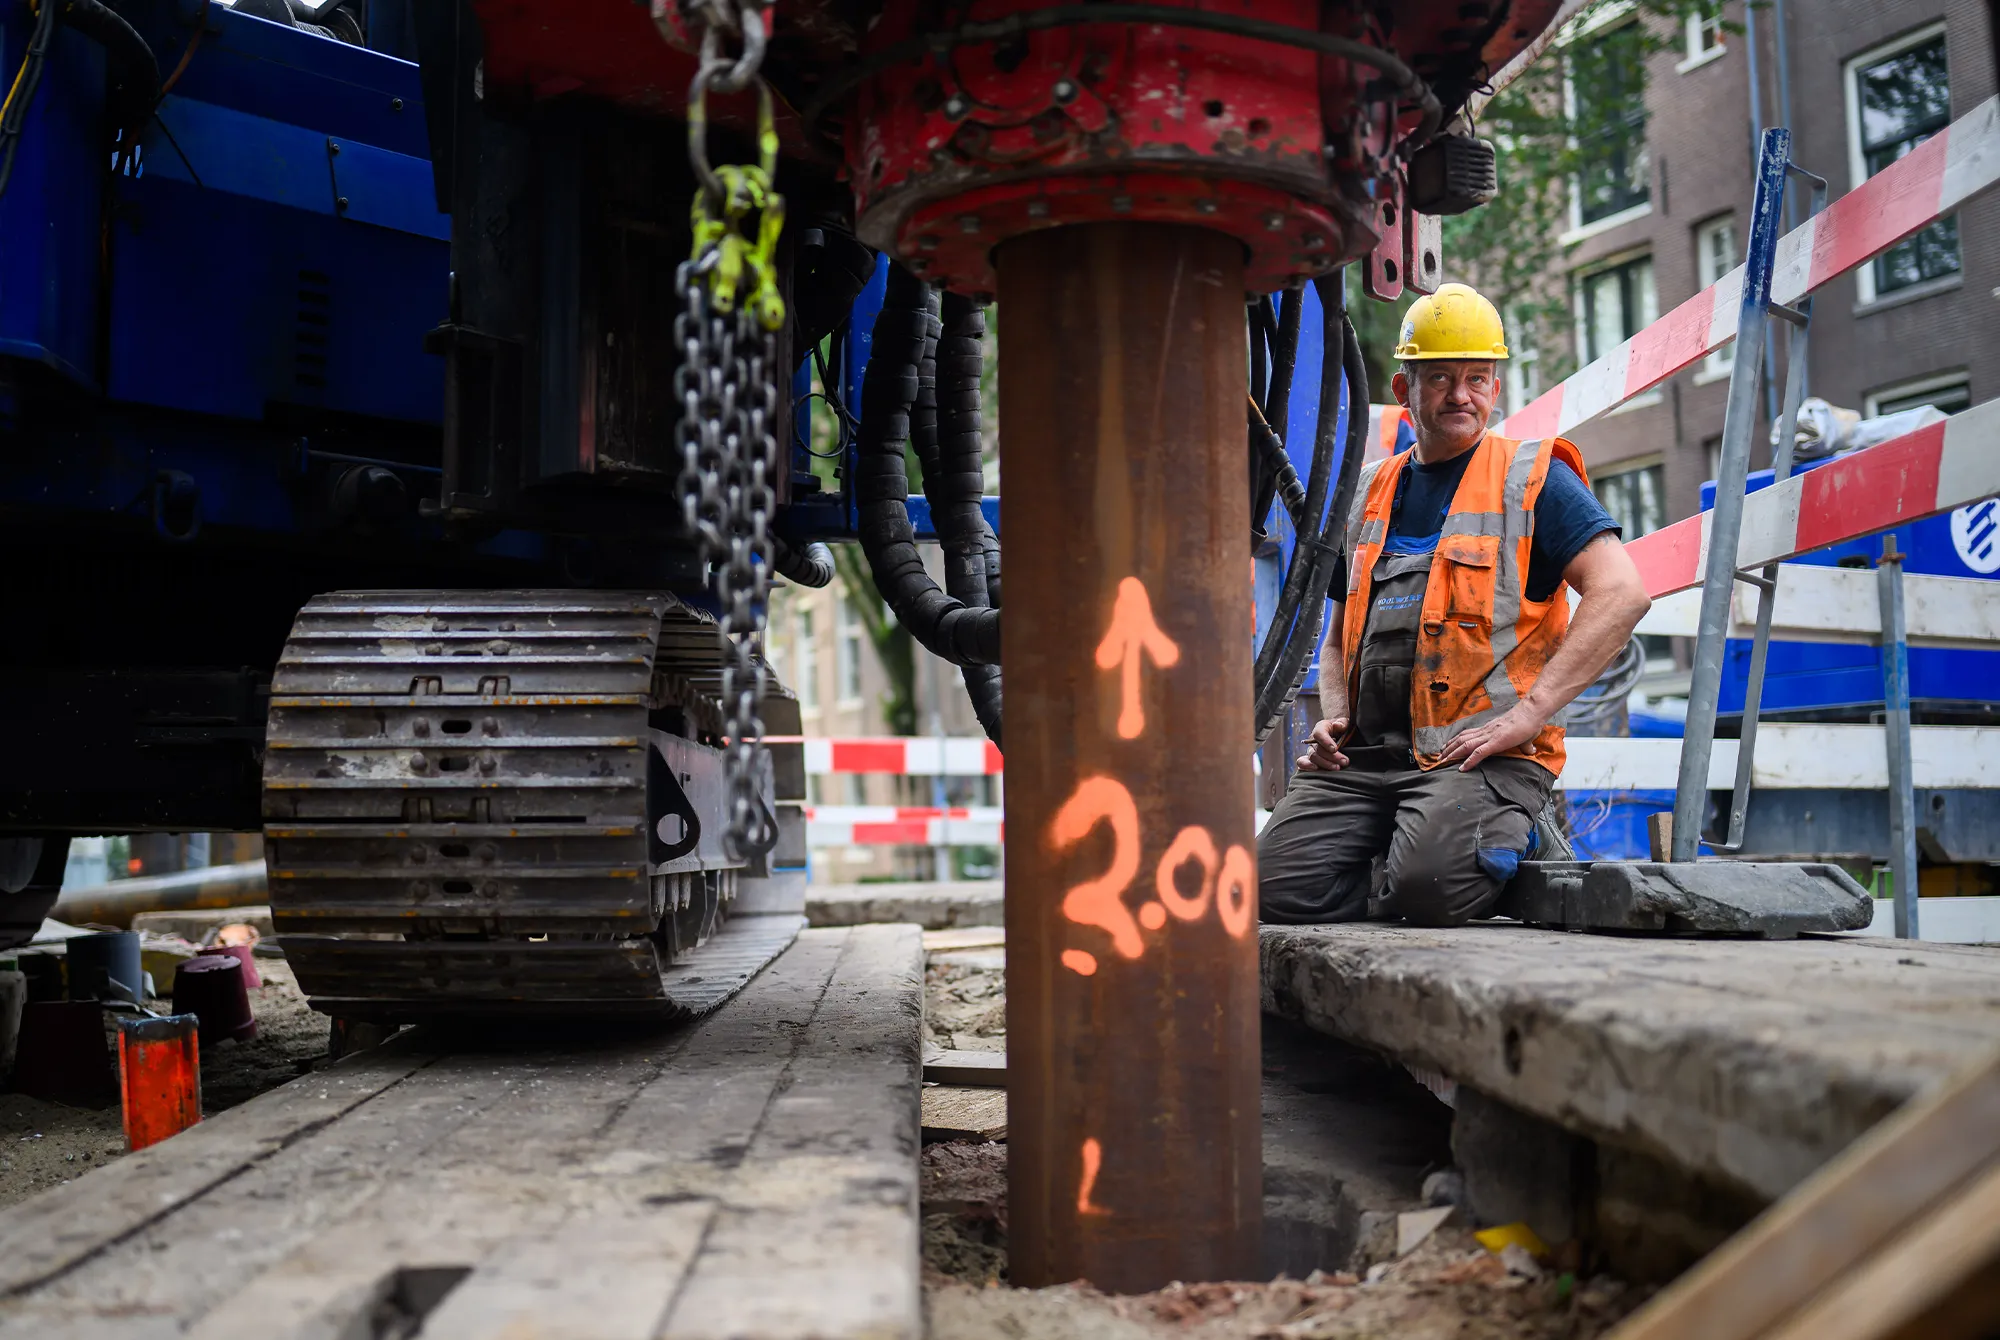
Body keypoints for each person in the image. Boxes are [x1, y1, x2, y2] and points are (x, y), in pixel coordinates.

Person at [1258, 283, 1652, 927]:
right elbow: (1337, 640)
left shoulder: (1534, 478)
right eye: (1439, 378)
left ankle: (1485, 842)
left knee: (1431, 890)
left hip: (1478, 758)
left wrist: (1529, 717)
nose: (1461, 395)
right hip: (1365, 760)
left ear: (1496, 388)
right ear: (1402, 389)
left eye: (1477, 377)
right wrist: (1334, 718)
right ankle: (1416, 853)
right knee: (1263, 890)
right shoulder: (1366, 494)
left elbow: (1622, 593)